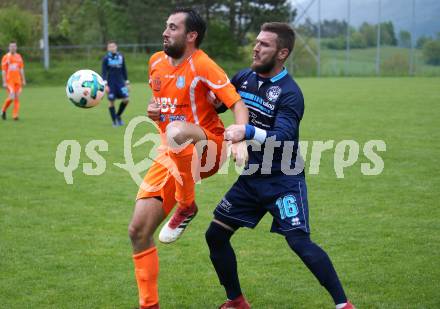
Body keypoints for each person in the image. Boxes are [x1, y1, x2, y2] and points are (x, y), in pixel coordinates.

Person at [205, 22, 356, 309]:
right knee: (216, 235)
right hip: (251, 179)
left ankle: (343, 305)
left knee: (299, 242)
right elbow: (220, 105)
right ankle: (236, 300)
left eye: (265, 44)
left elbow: (282, 137)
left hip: (282, 179)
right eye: (257, 41)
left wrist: (246, 132)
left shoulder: (289, 93)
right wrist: (207, 100)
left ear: (282, 53)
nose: (256, 47)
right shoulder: (244, 77)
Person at [128, 8, 248, 309]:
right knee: (138, 231)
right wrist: (153, 110)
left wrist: (240, 139)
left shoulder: (203, 65)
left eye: (172, 27)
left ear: (191, 36)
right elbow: (160, 105)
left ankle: (186, 205)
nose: (165, 32)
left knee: (178, 131)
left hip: (209, 147)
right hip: (171, 153)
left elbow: (237, 103)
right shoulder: (155, 62)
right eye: (165, 26)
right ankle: (149, 305)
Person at [101, 40, 129, 126]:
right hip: (111, 83)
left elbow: (124, 69)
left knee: (126, 100)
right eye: (110, 47)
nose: (112, 48)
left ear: (116, 47)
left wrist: (127, 82)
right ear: (107, 48)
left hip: (121, 82)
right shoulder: (106, 58)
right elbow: (104, 72)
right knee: (111, 102)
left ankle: (117, 116)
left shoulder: (121, 56)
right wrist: (105, 85)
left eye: (113, 46)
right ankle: (114, 121)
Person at [2, 41, 26, 121]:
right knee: (12, 96)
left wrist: (23, 79)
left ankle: (15, 115)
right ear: (9, 47)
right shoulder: (6, 57)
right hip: (9, 81)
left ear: (16, 47)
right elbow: (4, 71)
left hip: (18, 81)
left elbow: (21, 69)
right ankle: (3, 110)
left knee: (16, 97)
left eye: (14, 46)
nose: (13, 48)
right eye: (11, 46)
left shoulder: (19, 57)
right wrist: (4, 81)